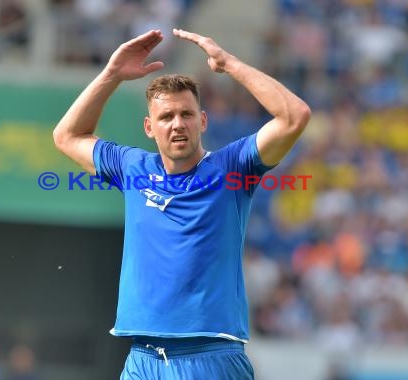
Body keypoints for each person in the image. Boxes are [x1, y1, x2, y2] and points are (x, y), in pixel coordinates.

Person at [53, 28, 311, 379]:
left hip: (210, 356)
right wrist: (111, 74)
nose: (177, 124)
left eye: (187, 115)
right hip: (141, 358)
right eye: (166, 117)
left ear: (202, 121)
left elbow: (294, 116)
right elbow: (66, 136)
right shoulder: (133, 168)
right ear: (149, 127)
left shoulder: (233, 168)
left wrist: (230, 64)